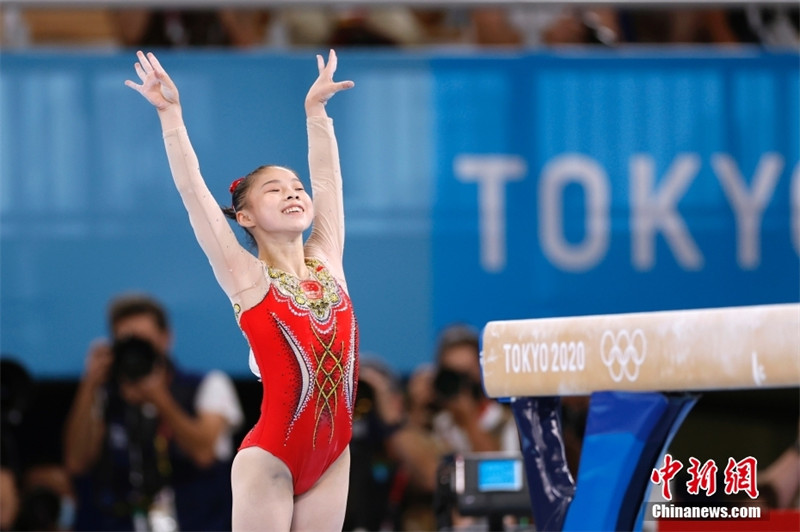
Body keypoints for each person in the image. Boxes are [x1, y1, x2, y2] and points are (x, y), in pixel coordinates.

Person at [124, 49, 358, 531]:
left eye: (295, 186)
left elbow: (329, 181)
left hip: (335, 454)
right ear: (245, 217)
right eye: (274, 189)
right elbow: (194, 195)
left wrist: (317, 115)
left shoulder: (328, 260)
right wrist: (171, 118)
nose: (293, 192)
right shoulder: (247, 277)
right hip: (271, 457)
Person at [63, 294, 244, 531]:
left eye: (144, 340)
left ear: (166, 338)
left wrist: (159, 398)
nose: (136, 351)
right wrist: (90, 385)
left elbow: (203, 454)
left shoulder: (208, 385)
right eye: (127, 341)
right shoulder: (105, 396)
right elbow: (76, 463)